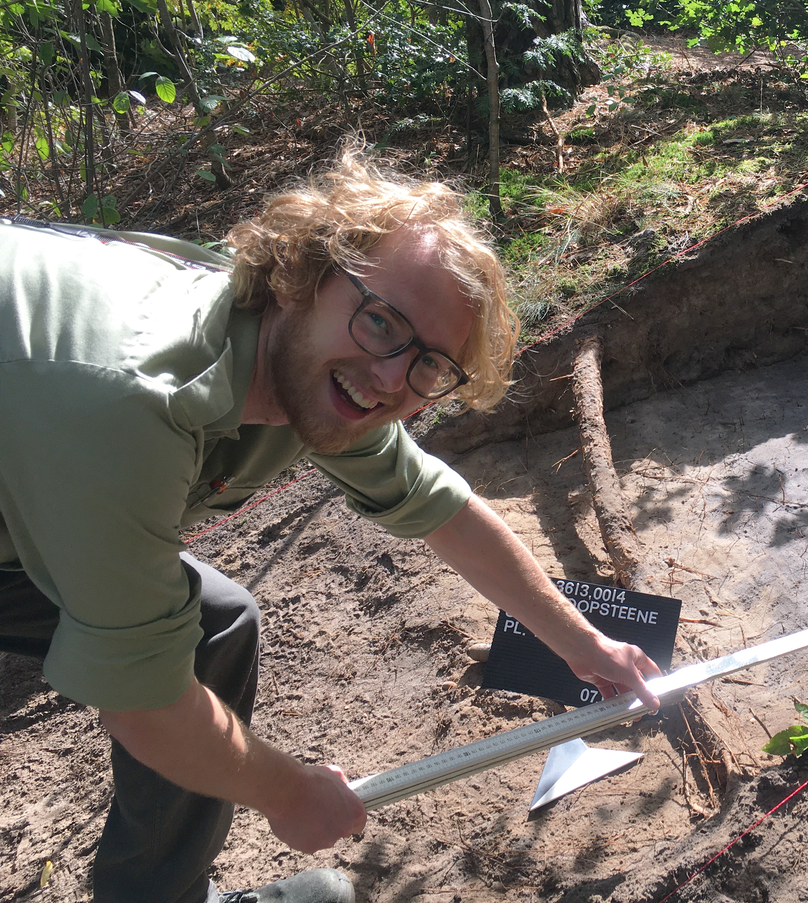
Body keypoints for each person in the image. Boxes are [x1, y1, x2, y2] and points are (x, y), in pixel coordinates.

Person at [0, 143, 662, 903]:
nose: (390, 380)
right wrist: (289, 792)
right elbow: (143, 705)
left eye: (430, 368)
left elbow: (441, 509)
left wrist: (584, 644)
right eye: (381, 324)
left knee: (217, 624)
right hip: (52, 433)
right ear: (303, 278)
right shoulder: (134, 402)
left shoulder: (308, 364)